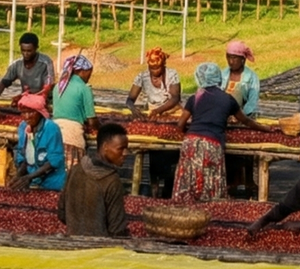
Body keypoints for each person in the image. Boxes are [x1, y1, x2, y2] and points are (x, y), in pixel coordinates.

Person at [173, 62, 263, 202]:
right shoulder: (228, 99)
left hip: (190, 143)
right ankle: (209, 215)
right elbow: (246, 121)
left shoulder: (195, 98)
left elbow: (180, 125)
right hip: (212, 144)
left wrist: (189, 131)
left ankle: (184, 217)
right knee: (210, 186)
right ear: (218, 78)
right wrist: (266, 129)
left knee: (188, 184)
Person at [58, 123, 130, 237]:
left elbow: (62, 213)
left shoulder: (75, 170)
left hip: (73, 243)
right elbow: (116, 229)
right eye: (121, 148)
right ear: (105, 146)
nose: (126, 153)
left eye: (126, 148)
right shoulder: (112, 181)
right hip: (100, 249)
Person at [128, 47, 182, 197]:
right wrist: (133, 108)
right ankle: (155, 190)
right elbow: (130, 99)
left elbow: (175, 98)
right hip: (153, 116)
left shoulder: (172, 74)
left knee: (171, 149)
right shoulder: (142, 77)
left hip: (172, 113)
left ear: (163, 64)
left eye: (157, 67)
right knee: (154, 152)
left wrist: (159, 111)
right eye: (151, 67)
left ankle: (170, 190)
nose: (154, 70)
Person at [221, 40, 261, 198]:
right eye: (229, 57)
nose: (232, 61)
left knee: (246, 154)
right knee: (228, 154)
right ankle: (229, 186)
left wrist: (240, 116)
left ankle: (249, 184)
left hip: (244, 118)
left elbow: (252, 101)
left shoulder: (251, 77)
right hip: (224, 119)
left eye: (235, 58)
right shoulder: (223, 75)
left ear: (243, 60)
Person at [9, 93, 67, 192]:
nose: (27, 117)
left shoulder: (51, 128)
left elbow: (54, 161)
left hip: (53, 183)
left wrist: (30, 177)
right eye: (23, 113)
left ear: (40, 112)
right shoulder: (23, 127)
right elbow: (24, 158)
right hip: (34, 181)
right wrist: (19, 175)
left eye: (31, 112)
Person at [52, 54, 98, 171]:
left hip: (54, 135)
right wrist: (102, 128)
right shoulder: (84, 88)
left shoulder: (58, 86)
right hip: (72, 137)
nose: (89, 77)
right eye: (89, 73)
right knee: (72, 177)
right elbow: (92, 121)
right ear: (81, 71)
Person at [0, 33, 55, 112]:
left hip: (44, 101)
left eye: (29, 51)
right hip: (25, 101)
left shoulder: (45, 62)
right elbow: (3, 83)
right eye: (23, 50)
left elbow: (48, 88)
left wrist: (28, 97)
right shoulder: (17, 64)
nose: (25, 54)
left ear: (36, 48)